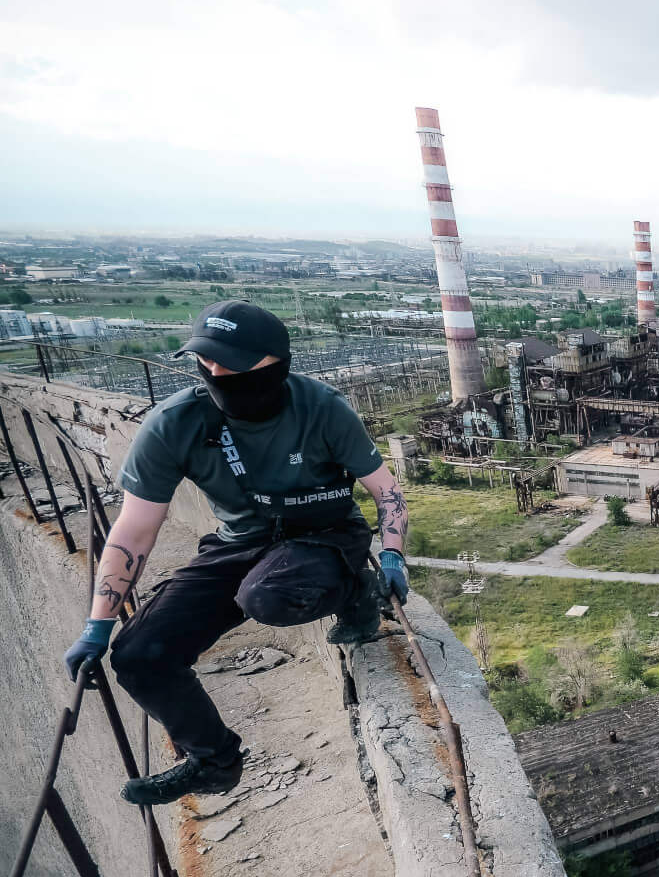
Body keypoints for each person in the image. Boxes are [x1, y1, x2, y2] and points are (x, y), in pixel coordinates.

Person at [63, 301, 410, 807]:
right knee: (139, 656)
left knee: (268, 595)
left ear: (276, 364)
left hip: (325, 535)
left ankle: (355, 589)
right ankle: (213, 760)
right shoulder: (175, 424)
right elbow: (133, 530)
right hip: (239, 544)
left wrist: (394, 556)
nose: (217, 373)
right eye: (206, 362)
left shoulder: (322, 409)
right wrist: (98, 625)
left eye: (231, 364)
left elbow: (387, 493)